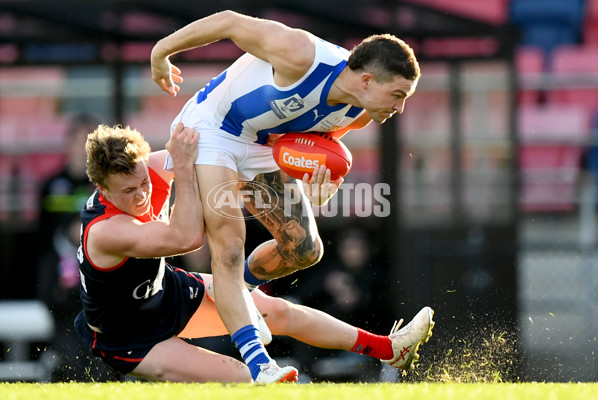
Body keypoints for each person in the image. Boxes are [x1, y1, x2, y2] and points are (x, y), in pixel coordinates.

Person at [149, 10, 431, 380]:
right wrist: (161, 52)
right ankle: (260, 364)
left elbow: (309, 149)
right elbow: (230, 21)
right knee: (229, 248)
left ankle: (239, 293)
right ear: (366, 80)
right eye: (397, 94)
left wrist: (322, 186)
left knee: (305, 249)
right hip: (213, 128)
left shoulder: (359, 112)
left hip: (262, 142)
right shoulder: (300, 54)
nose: (400, 107)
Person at [74, 124, 434, 383]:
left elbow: (226, 165)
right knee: (241, 378)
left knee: (279, 311)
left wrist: (299, 188)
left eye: (143, 183)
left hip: (164, 293)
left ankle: (388, 348)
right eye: (128, 191)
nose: (140, 194)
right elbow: (187, 237)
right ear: (102, 187)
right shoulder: (107, 231)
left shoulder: (148, 168)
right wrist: (183, 168)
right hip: (129, 336)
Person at [36, 112, 121, 381]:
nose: (84, 151)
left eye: (90, 145)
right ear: (68, 144)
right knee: (70, 349)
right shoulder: (51, 185)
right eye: (79, 142)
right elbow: (44, 236)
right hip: (63, 289)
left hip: (99, 284)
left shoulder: (106, 187)